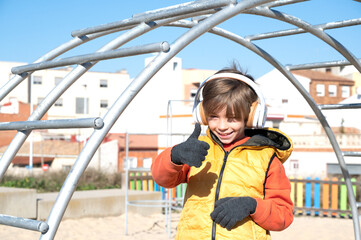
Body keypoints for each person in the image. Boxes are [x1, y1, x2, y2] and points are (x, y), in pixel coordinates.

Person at [151, 66, 294, 240]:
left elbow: (283, 215)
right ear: (202, 115)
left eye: (232, 118)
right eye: (213, 117)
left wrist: (253, 205)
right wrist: (174, 156)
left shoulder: (267, 158)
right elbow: (162, 179)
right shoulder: (197, 148)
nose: (222, 126)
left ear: (251, 116)